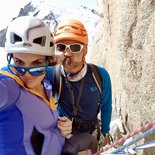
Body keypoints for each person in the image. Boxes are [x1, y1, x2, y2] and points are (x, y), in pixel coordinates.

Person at [0, 16, 72, 155]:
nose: (27, 74)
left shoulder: (46, 84)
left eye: (37, 64)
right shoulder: (9, 88)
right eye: (19, 62)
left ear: (48, 62)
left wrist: (62, 128)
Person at [47, 18, 113, 154]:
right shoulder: (52, 73)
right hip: (63, 137)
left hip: (90, 136)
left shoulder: (99, 76)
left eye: (75, 47)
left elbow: (106, 107)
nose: (68, 53)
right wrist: (51, 60)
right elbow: (27, 70)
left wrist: (105, 133)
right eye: (61, 47)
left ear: (85, 51)